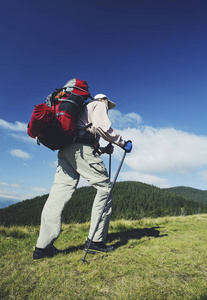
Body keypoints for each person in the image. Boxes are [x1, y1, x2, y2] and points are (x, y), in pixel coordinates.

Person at [33, 92, 132, 260]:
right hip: (81, 150)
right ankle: (96, 241)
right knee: (105, 189)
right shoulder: (99, 105)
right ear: (103, 99)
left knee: (58, 193)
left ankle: (43, 247)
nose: (109, 107)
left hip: (66, 151)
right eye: (109, 103)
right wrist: (122, 142)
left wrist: (102, 150)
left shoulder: (80, 109)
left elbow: (82, 134)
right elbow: (102, 126)